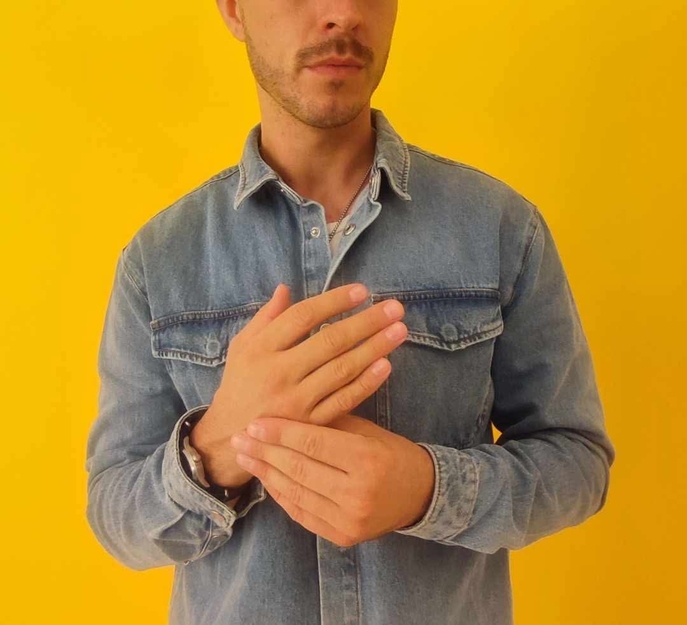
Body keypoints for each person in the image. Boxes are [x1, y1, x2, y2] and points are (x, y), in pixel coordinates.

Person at [85, 1, 616, 623]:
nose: (342, 13)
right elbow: (115, 514)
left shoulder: (501, 229)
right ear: (234, 10)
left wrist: (428, 490)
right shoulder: (158, 261)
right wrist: (218, 445)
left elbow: (578, 462)